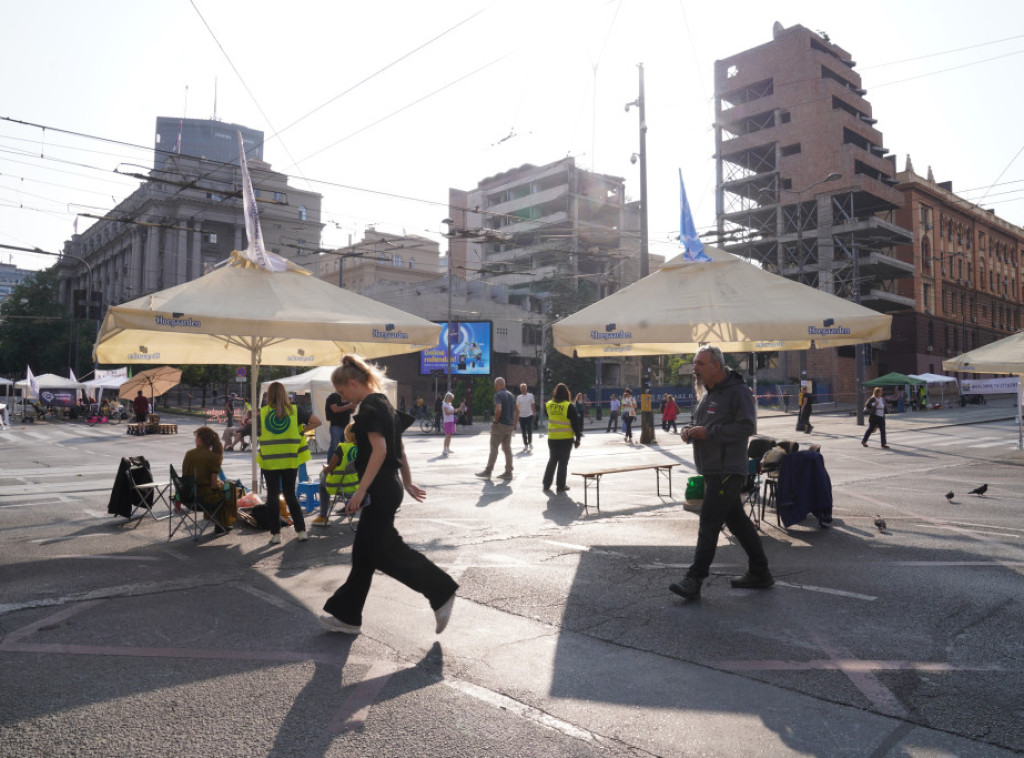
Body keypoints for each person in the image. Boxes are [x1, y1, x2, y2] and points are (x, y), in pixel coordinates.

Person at [320, 355, 458, 636]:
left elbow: (381, 451)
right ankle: (347, 616)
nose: (343, 398)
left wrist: (360, 490)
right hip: (388, 485)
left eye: (343, 391)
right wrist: (406, 482)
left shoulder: (369, 407)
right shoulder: (383, 402)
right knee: (364, 556)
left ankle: (441, 590)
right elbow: (400, 450)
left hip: (378, 488)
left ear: (354, 382)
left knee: (385, 552)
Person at [670, 345, 773, 600]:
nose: (695, 368)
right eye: (695, 363)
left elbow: (747, 426)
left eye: (700, 363)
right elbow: (701, 423)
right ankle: (760, 572)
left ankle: (694, 579)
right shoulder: (708, 393)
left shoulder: (738, 392)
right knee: (737, 522)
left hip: (728, 469)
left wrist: (709, 433)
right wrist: (690, 430)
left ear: (717, 365)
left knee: (709, 522)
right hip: (713, 469)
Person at [258, 381, 321, 545]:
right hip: (290, 459)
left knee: (272, 496)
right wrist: (301, 430)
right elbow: (317, 421)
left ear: (269, 395)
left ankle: (276, 534)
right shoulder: (295, 410)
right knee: (290, 494)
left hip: (269, 460)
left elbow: (257, 432)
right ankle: (300, 531)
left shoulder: (263, 412)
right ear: (285, 394)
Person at [182, 426, 238, 533]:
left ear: (200, 439)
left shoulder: (189, 454)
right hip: (203, 498)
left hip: (187, 494)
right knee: (229, 487)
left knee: (219, 490)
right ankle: (224, 522)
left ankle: (218, 522)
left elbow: (186, 476)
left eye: (196, 437)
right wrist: (221, 484)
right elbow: (213, 485)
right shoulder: (213, 456)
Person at [314, 423, 359, 525]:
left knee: (322, 482)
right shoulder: (365, 448)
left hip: (340, 486)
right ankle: (350, 505)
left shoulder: (342, 448)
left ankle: (323, 516)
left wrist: (325, 470)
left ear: (347, 434)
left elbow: (330, 468)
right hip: (358, 487)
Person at [542, 383, 583, 493]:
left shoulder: (549, 404)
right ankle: (560, 485)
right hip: (566, 439)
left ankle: (546, 483)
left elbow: (548, 416)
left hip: (552, 438)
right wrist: (578, 438)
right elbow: (575, 424)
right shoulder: (568, 406)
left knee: (552, 460)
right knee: (563, 462)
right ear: (566, 393)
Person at [476, 377, 518, 480]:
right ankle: (509, 472)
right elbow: (518, 410)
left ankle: (488, 471)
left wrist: (495, 421)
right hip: (509, 426)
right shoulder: (511, 395)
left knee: (494, 447)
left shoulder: (498, 395)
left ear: (497, 385)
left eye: (495, 385)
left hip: (500, 425)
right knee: (507, 449)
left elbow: (498, 409)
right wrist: (515, 424)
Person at [325, 388, 355, 456]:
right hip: (336, 425)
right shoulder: (333, 397)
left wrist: (353, 405)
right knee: (334, 446)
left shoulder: (347, 398)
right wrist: (349, 405)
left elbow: (351, 411)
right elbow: (335, 409)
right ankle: (330, 464)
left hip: (346, 425)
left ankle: (342, 463)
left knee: (345, 446)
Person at [516, 383, 536, 451]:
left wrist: (534, 413)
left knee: (529, 429)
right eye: (522, 388)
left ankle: (530, 442)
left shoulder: (531, 396)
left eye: (524, 388)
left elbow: (533, 405)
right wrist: (517, 415)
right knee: (523, 431)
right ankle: (525, 444)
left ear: (526, 388)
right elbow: (518, 407)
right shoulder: (519, 397)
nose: (523, 389)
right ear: (520, 389)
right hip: (521, 416)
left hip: (529, 415)